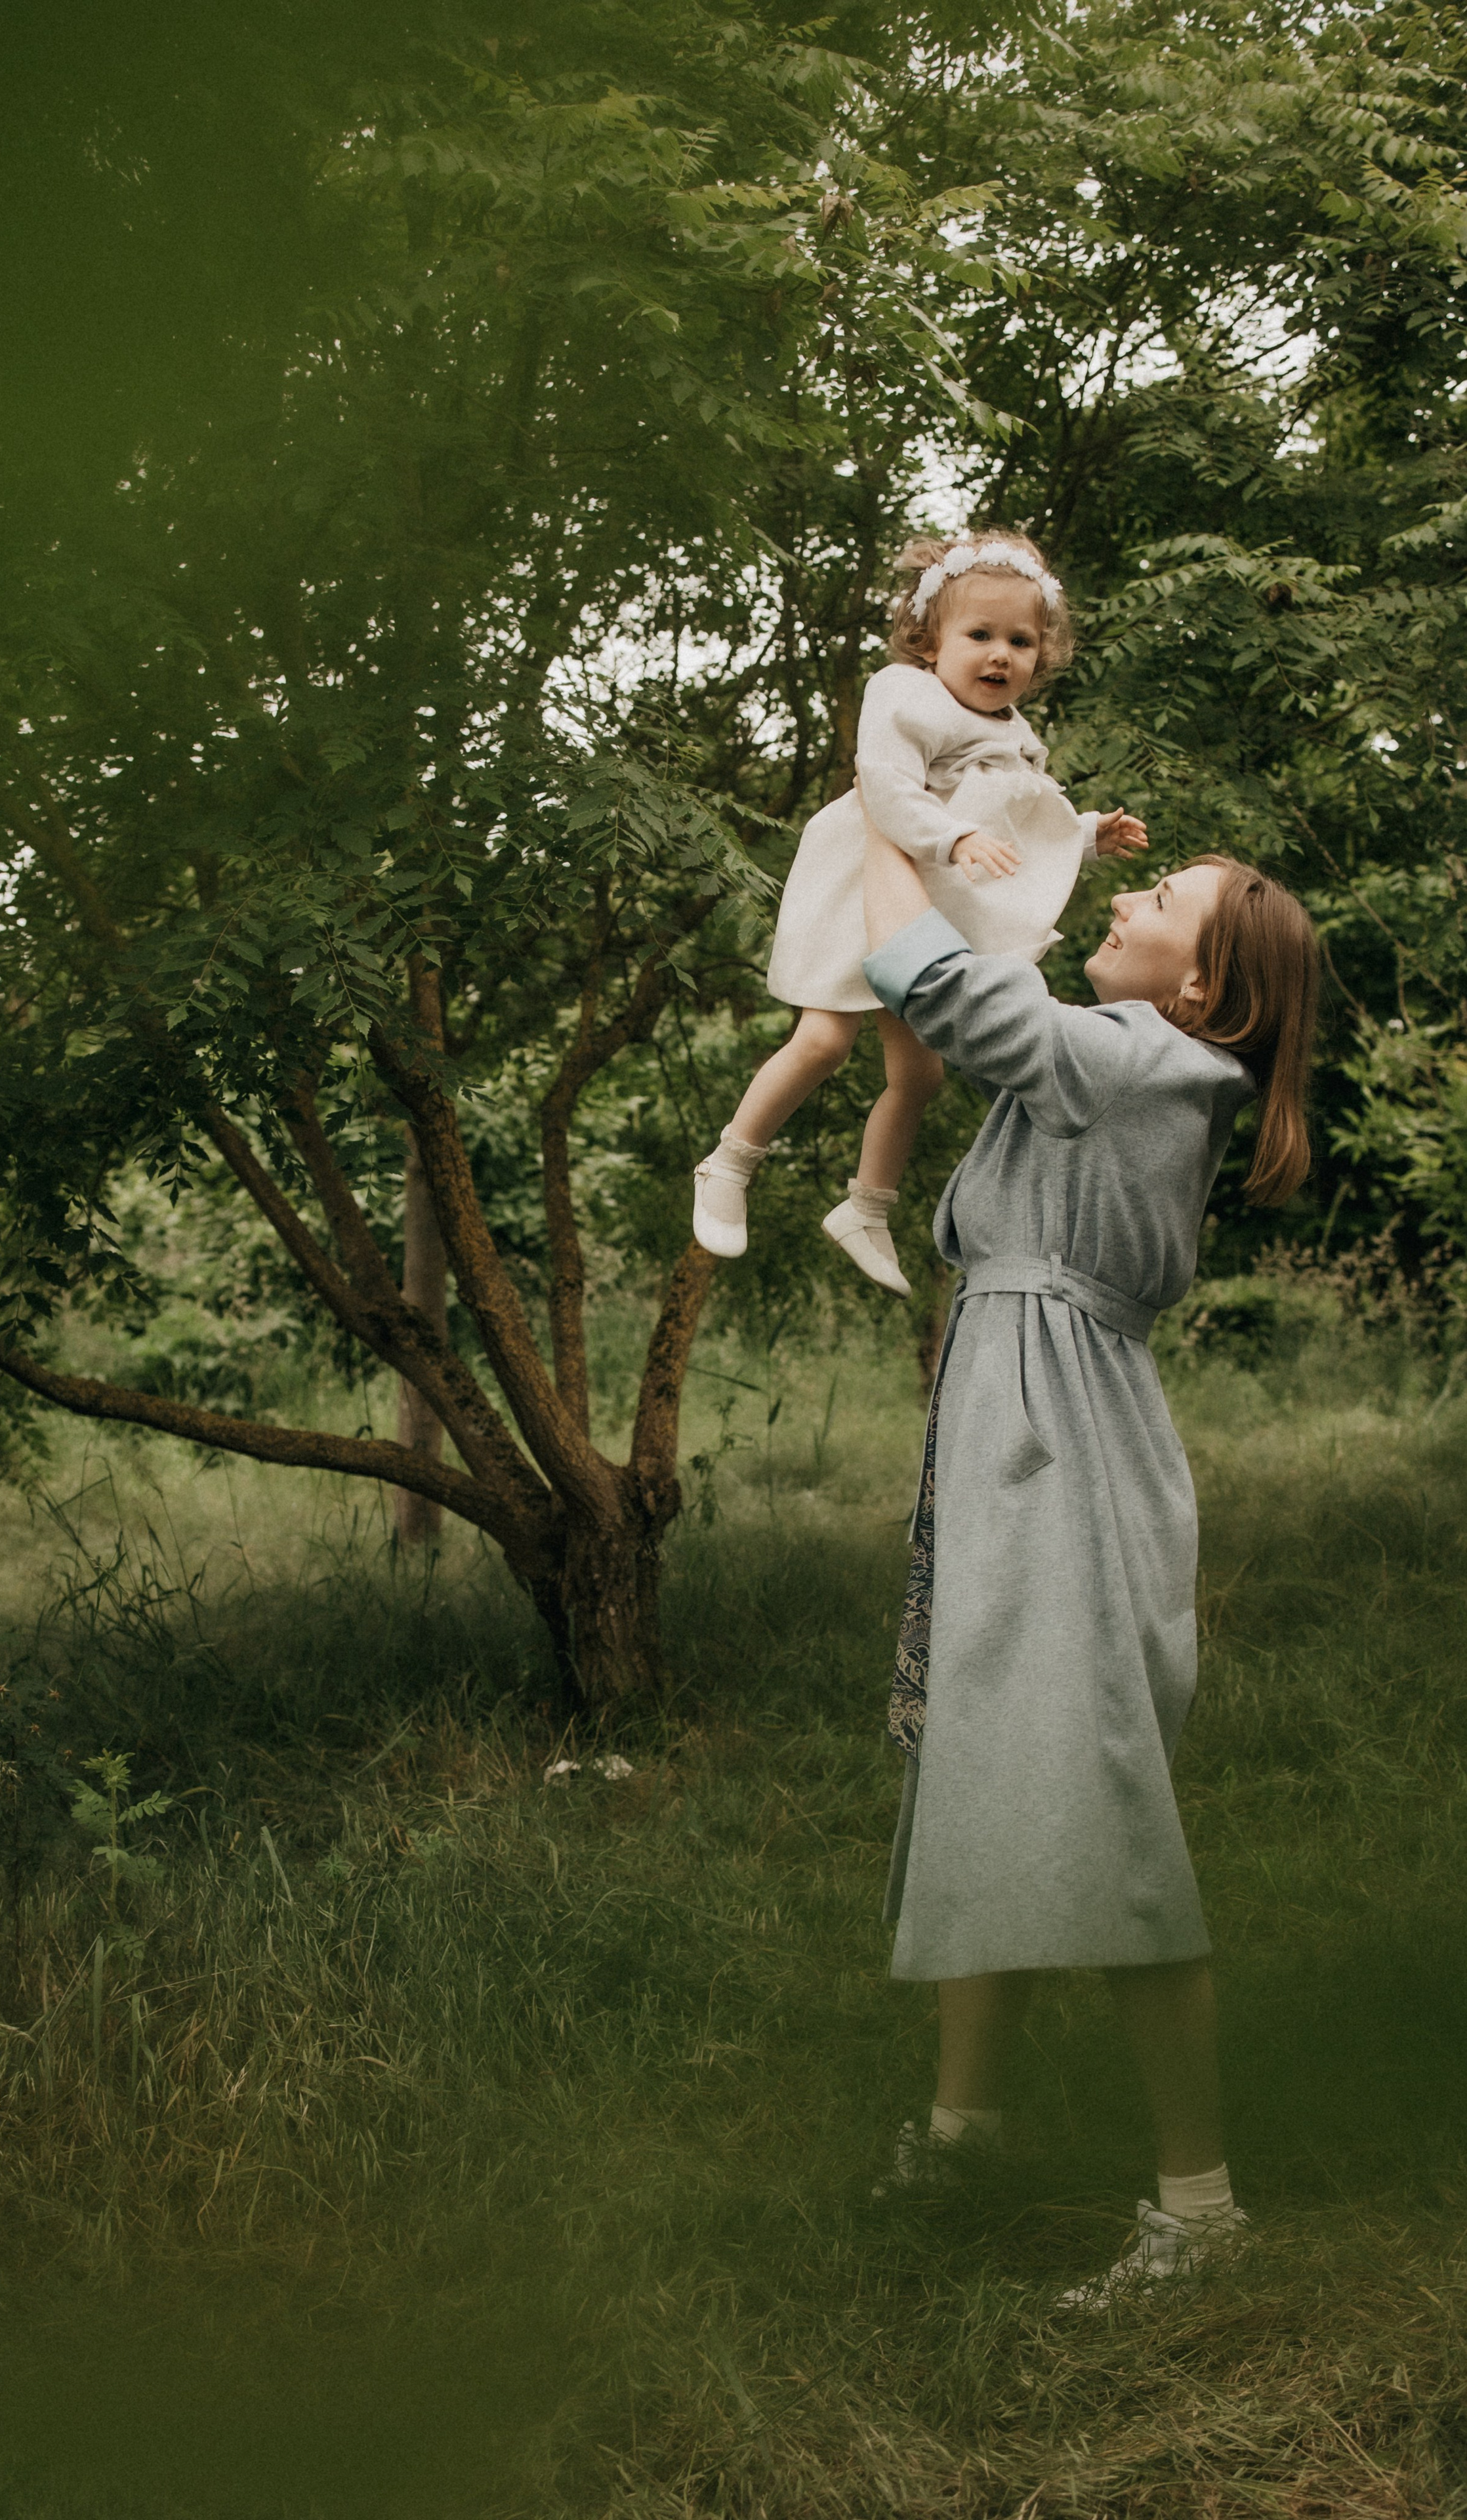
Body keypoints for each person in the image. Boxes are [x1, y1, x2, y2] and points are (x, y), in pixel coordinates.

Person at [859, 825, 1319, 2307]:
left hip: (1056, 1447)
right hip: (1015, 1428)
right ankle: (961, 2132)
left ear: (1203, 986)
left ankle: (1198, 2210)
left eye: (1158, 898)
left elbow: (962, 992)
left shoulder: (1146, 1058)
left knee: (1093, 1803)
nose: (1121, 898)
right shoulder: (1118, 1049)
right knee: (983, 1773)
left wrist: (885, 837)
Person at [690, 532, 1147, 1297]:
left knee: (920, 1072)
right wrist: (953, 834)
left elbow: (1023, 814)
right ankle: (730, 1162)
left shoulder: (1015, 735)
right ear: (927, 640)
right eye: (979, 636)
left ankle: (866, 1208)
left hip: (925, 900)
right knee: (824, 1038)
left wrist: (1084, 834)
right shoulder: (905, 694)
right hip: (866, 877)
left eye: (1020, 641)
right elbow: (888, 785)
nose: (999, 656)